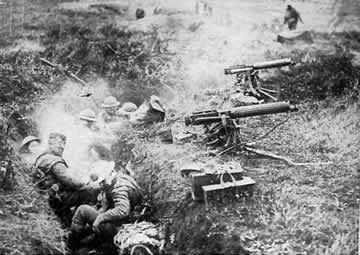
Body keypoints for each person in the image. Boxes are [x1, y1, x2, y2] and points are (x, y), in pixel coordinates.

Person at [32, 132, 99, 225]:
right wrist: (87, 185)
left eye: (64, 144)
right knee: (89, 191)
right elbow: (70, 181)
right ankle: (80, 222)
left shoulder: (43, 157)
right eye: (59, 143)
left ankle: (69, 218)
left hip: (45, 195)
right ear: (51, 143)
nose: (62, 146)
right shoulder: (54, 161)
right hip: (54, 199)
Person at [69, 169, 143, 249]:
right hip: (124, 223)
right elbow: (105, 207)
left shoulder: (119, 188)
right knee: (92, 212)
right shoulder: (119, 179)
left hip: (120, 230)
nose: (101, 185)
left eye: (102, 182)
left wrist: (101, 218)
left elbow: (123, 210)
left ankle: (72, 244)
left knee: (82, 210)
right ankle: (92, 238)